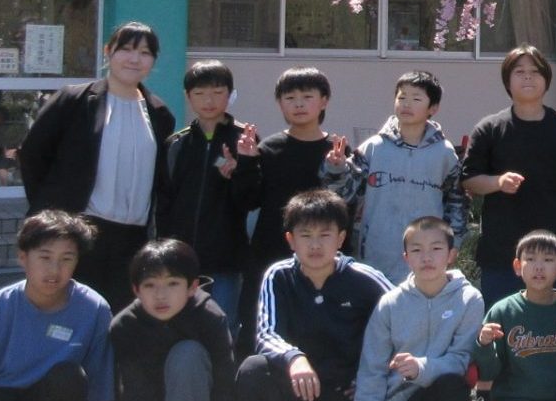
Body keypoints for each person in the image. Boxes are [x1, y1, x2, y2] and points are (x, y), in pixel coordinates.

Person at [19, 22, 176, 311]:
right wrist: (49, 209)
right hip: (79, 230)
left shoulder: (159, 113)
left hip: (133, 237)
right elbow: (32, 155)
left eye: (144, 52)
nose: (134, 59)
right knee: (68, 311)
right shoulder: (74, 100)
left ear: (153, 61)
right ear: (108, 52)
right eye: (126, 49)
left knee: (118, 316)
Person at [0, 210, 114, 401]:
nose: (54, 270)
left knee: (69, 377)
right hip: (3, 395)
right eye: (45, 257)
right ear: (23, 258)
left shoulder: (94, 310)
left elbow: (102, 384)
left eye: (66, 259)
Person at [238, 189, 395, 401]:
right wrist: (294, 359)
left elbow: (403, 323)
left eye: (324, 235)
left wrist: (370, 379)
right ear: (291, 240)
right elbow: (266, 334)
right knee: (254, 369)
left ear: (340, 238)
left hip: (350, 388)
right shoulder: (279, 276)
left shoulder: (366, 279)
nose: (315, 245)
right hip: (298, 381)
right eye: (306, 235)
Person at [462, 46, 556, 301]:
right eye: (519, 72)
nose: (528, 77)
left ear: (546, 79)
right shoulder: (489, 128)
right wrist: (497, 182)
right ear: (507, 81)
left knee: (554, 327)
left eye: (535, 72)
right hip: (501, 251)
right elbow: (469, 179)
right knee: (500, 322)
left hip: (551, 248)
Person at [323, 70, 468, 282]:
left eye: (416, 98)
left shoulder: (444, 153)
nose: (406, 104)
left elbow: (457, 202)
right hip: (376, 253)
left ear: (433, 108)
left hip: (426, 257)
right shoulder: (374, 147)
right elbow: (345, 194)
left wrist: (453, 243)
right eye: (402, 97)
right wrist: (336, 168)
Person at [240, 67, 342, 351]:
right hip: (270, 253)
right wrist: (247, 163)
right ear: (279, 102)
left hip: (321, 257)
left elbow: (347, 206)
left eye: (307, 96)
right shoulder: (268, 148)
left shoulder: (337, 150)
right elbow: (248, 200)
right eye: (290, 97)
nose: (298, 104)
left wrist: (338, 169)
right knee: (262, 327)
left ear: (324, 101)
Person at [157, 60, 260, 335]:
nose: (209, 100)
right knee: (177, 329)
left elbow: (250, 201)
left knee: (222, 330)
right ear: (188, 97)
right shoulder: (176, 144)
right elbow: (164, 203)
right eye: (200, 93)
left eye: (217, 92)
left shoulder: (245, 140)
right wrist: (163, 249)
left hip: (225, 259)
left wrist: (241, 171)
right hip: (180, 260)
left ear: (230, 94)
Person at [355, 216, 483, 401]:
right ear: (406, 258)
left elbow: (460, 359)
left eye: (436, 248)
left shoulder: (469, 299)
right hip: (396, 396)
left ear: (451, 255)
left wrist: (420, 368)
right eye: (416, 250)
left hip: (442, 391)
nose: (426, 257)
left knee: (452, 385)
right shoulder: (390, 303)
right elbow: (372, 367)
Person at [109, 239, 237, 401]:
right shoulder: (125, 326)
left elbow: (224, 386)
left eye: (172, 283)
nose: (161, 295)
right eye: (150, 285)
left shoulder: (209, 318)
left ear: (192, 287)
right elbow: (130, 389)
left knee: (188, 353)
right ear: (136, 290)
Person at [473, 231, 556, 401]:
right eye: (530, 259)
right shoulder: (503, 311)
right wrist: (483, 344)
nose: (538, 267)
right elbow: (488, 373)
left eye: (547, 260)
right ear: (518, 266)